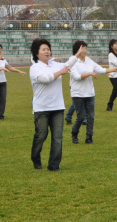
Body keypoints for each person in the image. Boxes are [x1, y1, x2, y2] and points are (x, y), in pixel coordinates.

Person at [29, 38, 85, 171]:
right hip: (41, 108)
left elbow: (68, 64)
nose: (47, 51)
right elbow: (45, 79)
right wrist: (61, 72)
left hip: (58, 107)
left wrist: (77, 53)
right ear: (36, 53)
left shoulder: (54, 65)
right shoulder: (35, 67)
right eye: (43, 49)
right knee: (41, 136)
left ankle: (54, 165)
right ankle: (35, 158)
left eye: (48, 49)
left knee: (58, 138)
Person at [69, 40, 117, 145]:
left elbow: (100, 70)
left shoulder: (89, 61)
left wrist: (113, 69)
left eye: (86, 48)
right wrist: (89, 73)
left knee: (91, 117)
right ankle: (74, 133)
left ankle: (89, 137)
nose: (85, 51)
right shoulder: (72, 61)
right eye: (83, 48)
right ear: (77, 50)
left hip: (90, 93)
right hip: (77, 94)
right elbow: (77, 77)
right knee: (80, 116)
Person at [0, 43, 27, 120]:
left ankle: (0, 115)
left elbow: (9, 67)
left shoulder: (3, 59)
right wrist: (2, 69)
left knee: (3, 100)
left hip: (2, 82)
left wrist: (19, 71)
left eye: (0, 49)